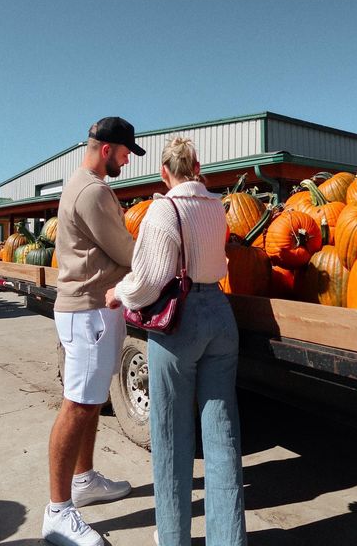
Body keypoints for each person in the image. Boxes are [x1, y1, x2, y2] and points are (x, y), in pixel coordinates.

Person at [106, 137, 247, 546]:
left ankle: (173, 537)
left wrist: (119, 293)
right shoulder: (217, 207)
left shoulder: (163, 211)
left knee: (171, 436)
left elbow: (150, 280)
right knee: (222, 436)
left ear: (164, 173)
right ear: (198, 166)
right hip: (220, 315)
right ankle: (228, 539)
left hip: (179, 323)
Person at [42, 117, 147, 546]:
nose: (127, 160)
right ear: (107, 149)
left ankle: (83, 480)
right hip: (90, 310)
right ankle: (57, 513)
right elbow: (125, 249)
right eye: (125, 153)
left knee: (89, 399)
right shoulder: (94, 191)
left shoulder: (79, 182)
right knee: (78, 407)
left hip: (86, 310)